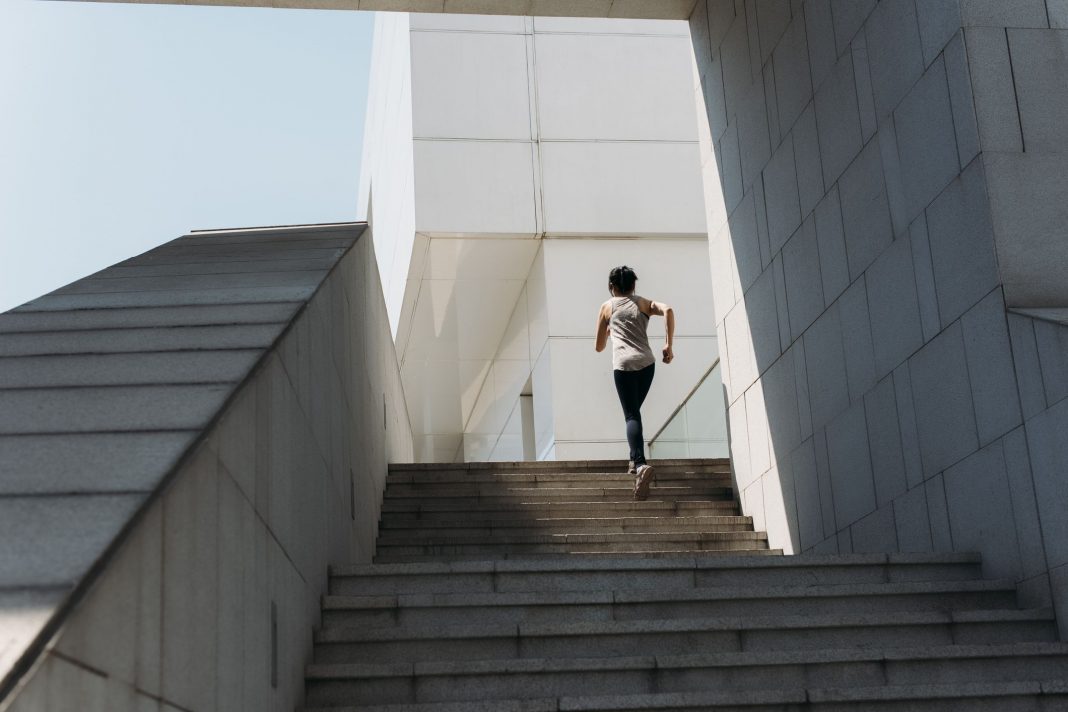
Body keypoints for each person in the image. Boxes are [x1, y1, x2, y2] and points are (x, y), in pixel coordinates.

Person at [594, 265, 675, 501]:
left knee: (631, 415)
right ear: (633, 285)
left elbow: (598, 346)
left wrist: (609, 332)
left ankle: (640, 465)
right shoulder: (642, 303)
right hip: (647, 364)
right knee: (635, 412)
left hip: (624, 365)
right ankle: (634, 459)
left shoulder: (607, 307)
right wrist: (669, 345)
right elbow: (668, 309)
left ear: (611, 287)